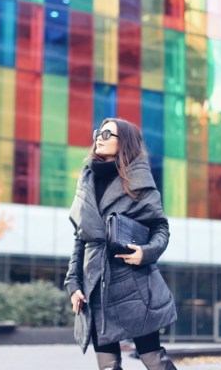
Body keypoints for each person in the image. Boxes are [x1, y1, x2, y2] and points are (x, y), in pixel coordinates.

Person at [64, 118, 178, 370]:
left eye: (108, 133)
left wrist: (146, 253)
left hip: (133, 285)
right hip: (95, 286)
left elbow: (160, 227)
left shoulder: (139, 180)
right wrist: (73, 284)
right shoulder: (87, 180)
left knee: (153, 359)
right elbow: (80, 237)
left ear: (124, 142)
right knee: (107, 365)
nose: (99, 137)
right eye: (98, 132)